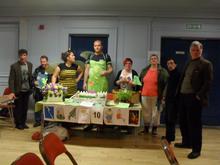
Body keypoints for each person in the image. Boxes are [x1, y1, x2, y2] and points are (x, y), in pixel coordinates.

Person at [174, 41, 213, 159]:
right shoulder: (189, 62)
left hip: (194, 98)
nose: (195, 52)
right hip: (183, 96)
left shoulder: (206, 64)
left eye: (197, 50)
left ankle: (196, 149)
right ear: (190, 51)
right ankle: (186, 142)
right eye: (193, 50)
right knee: (183, 121)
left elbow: (208, 82)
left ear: (201, 50)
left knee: (194, 124)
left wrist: (198, 95)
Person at [139, 54, 168, 135]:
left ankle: (154, 129)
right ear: (150, 60)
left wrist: (164, 96)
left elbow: (167, 84)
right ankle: (146, 129)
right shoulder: (145, 70)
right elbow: (139, 80)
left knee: (156, 113)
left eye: (155, 58)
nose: (153, 60)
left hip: (156, 96)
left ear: (158, 60)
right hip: (144, 95)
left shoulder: (162, 71)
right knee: (146, 112)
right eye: (152, 59)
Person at [8, 49, 33, 130]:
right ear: (19, 56)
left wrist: (33, 85)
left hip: (27, 90)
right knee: (18, 108)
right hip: (18, 90)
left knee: (25, 107)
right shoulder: (14, 66)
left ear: (26, 56)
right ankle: (18, 124)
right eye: (21, 55)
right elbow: (11, 80)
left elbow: (30, 77)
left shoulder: (30, 65)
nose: (22, 57)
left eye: (24, 55)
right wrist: (12, 92)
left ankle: (23, 122)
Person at [32, 55, 54, 127]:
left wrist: (48, 86)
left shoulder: (51, 69)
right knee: (37, 106)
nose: (43, 63)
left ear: (47, 61)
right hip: (38, 92)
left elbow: (53, 80)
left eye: (44, 61)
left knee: (47, 107)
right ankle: (37, 121)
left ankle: (47, 122)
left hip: (47, 92)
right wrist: (34, 82)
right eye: (41, 61)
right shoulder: (37, 70)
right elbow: (33, 79)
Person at [163, 58, 180, 143]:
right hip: (168, 100)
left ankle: (170, 138)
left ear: (175, 65)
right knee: (167, 119)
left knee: (171, 119)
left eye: (172, 63)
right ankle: (168, 136)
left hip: (174, 101)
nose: (170, 65)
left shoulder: (177, 74)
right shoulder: (170, 74)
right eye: (168, 63)